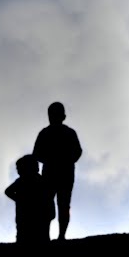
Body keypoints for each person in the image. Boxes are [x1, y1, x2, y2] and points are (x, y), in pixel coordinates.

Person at [32, 102, 83, 241]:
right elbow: (77, 152)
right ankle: (56, 236)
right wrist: (64, 160)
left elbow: (77, 152)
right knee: (56, 205)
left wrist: (55, 160)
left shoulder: (46, 133)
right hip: (59, 173)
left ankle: (57, 236)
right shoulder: (66, 133)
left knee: (54, 205)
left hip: (56, 173)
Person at [5, 155, 54, 244]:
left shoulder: (35, 181)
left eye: (19, 168)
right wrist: (19, 200)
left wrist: (19, 200)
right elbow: (8, 191)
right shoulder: (36, 180)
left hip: (37, 216)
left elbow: (49, 198)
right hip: (26, 217)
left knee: (39, 237)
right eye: (18, 168)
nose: (18, 171)